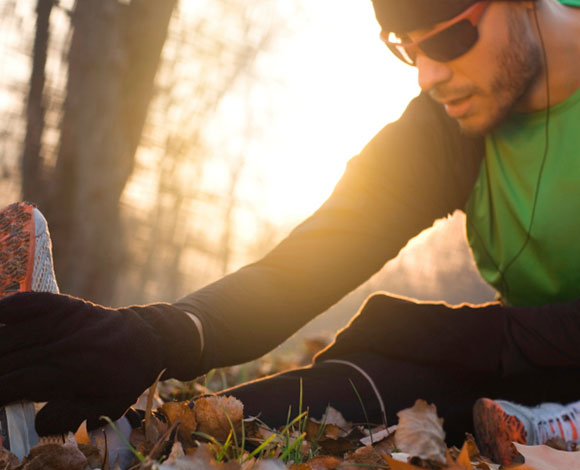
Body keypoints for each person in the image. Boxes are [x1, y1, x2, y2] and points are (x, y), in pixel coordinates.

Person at [1, 0, 580, 464]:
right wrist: (156, 336)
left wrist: (457, 335)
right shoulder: (444, 130)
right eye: (408, 49)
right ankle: (129, 440)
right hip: (529, 375)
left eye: (448, 39)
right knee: (389, 381)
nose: (429, 75)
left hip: (546, 358)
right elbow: (306, 263)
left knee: (430, 342)